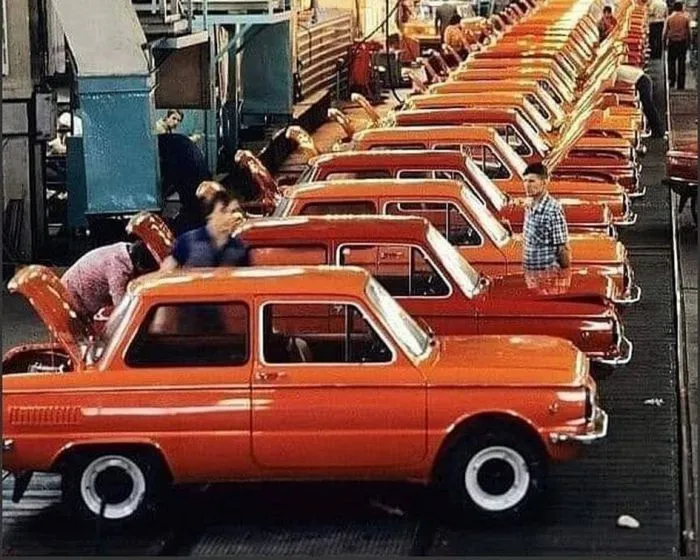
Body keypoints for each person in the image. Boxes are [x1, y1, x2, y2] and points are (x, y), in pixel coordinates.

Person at [61, 240, 158, 322]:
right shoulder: (118, 268)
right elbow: (121, 309)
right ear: (139, 265)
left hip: (76, 289)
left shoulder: (129, 250)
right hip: (72, 296)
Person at [161, 186, 249, 269]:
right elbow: (164, 274)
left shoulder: (238, 248)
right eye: (223, 211)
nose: (229, 217)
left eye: (232, 212)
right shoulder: (188, 242)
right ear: (210, 215)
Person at [522, 162, 571, 271]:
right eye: (525, 181)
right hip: (531, 274)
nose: (527, 185)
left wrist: (564, 275)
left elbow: (562, 248)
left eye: (531, 181)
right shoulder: (529, 205)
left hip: (547, 276)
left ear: (544, 182)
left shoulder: (552, 210)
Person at [615, 64, 665, 137]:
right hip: (644, 79)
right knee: (649, 107)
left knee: (648, 107)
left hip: (642, 82)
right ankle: (658, 130)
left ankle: (659, 131)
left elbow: (617, 85)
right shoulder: (617, 68)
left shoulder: (614, 73)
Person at [663, 1, 692, 90]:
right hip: (682, 42)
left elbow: (665, 32)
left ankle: (671, 81)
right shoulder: (685, 18)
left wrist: (663, 42)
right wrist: (689, 42)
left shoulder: (669, 18)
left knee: (671, 62)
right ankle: (681, 85)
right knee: (681, 63)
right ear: (681, 8)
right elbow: (689, 31)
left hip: (672, 42)